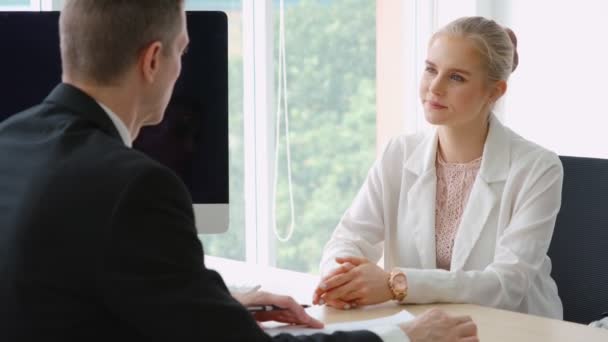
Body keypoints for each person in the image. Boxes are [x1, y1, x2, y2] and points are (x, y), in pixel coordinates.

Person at [0, 1, 478, 342]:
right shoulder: (136, 186)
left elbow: (62, 284)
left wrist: (211, 298)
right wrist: (403, 337)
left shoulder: (9, 141)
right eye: (181, 53)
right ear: (152, 60)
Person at [313, 16, 563, 320]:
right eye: (431, 69)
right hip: (423, 327)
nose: (435, 87)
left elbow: (505, 285)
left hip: (512, 329)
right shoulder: (399, 152)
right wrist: (338, 280)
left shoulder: (538, 168)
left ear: (494, 92)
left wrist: (397, 284)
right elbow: (349, 238)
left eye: (456, 77)